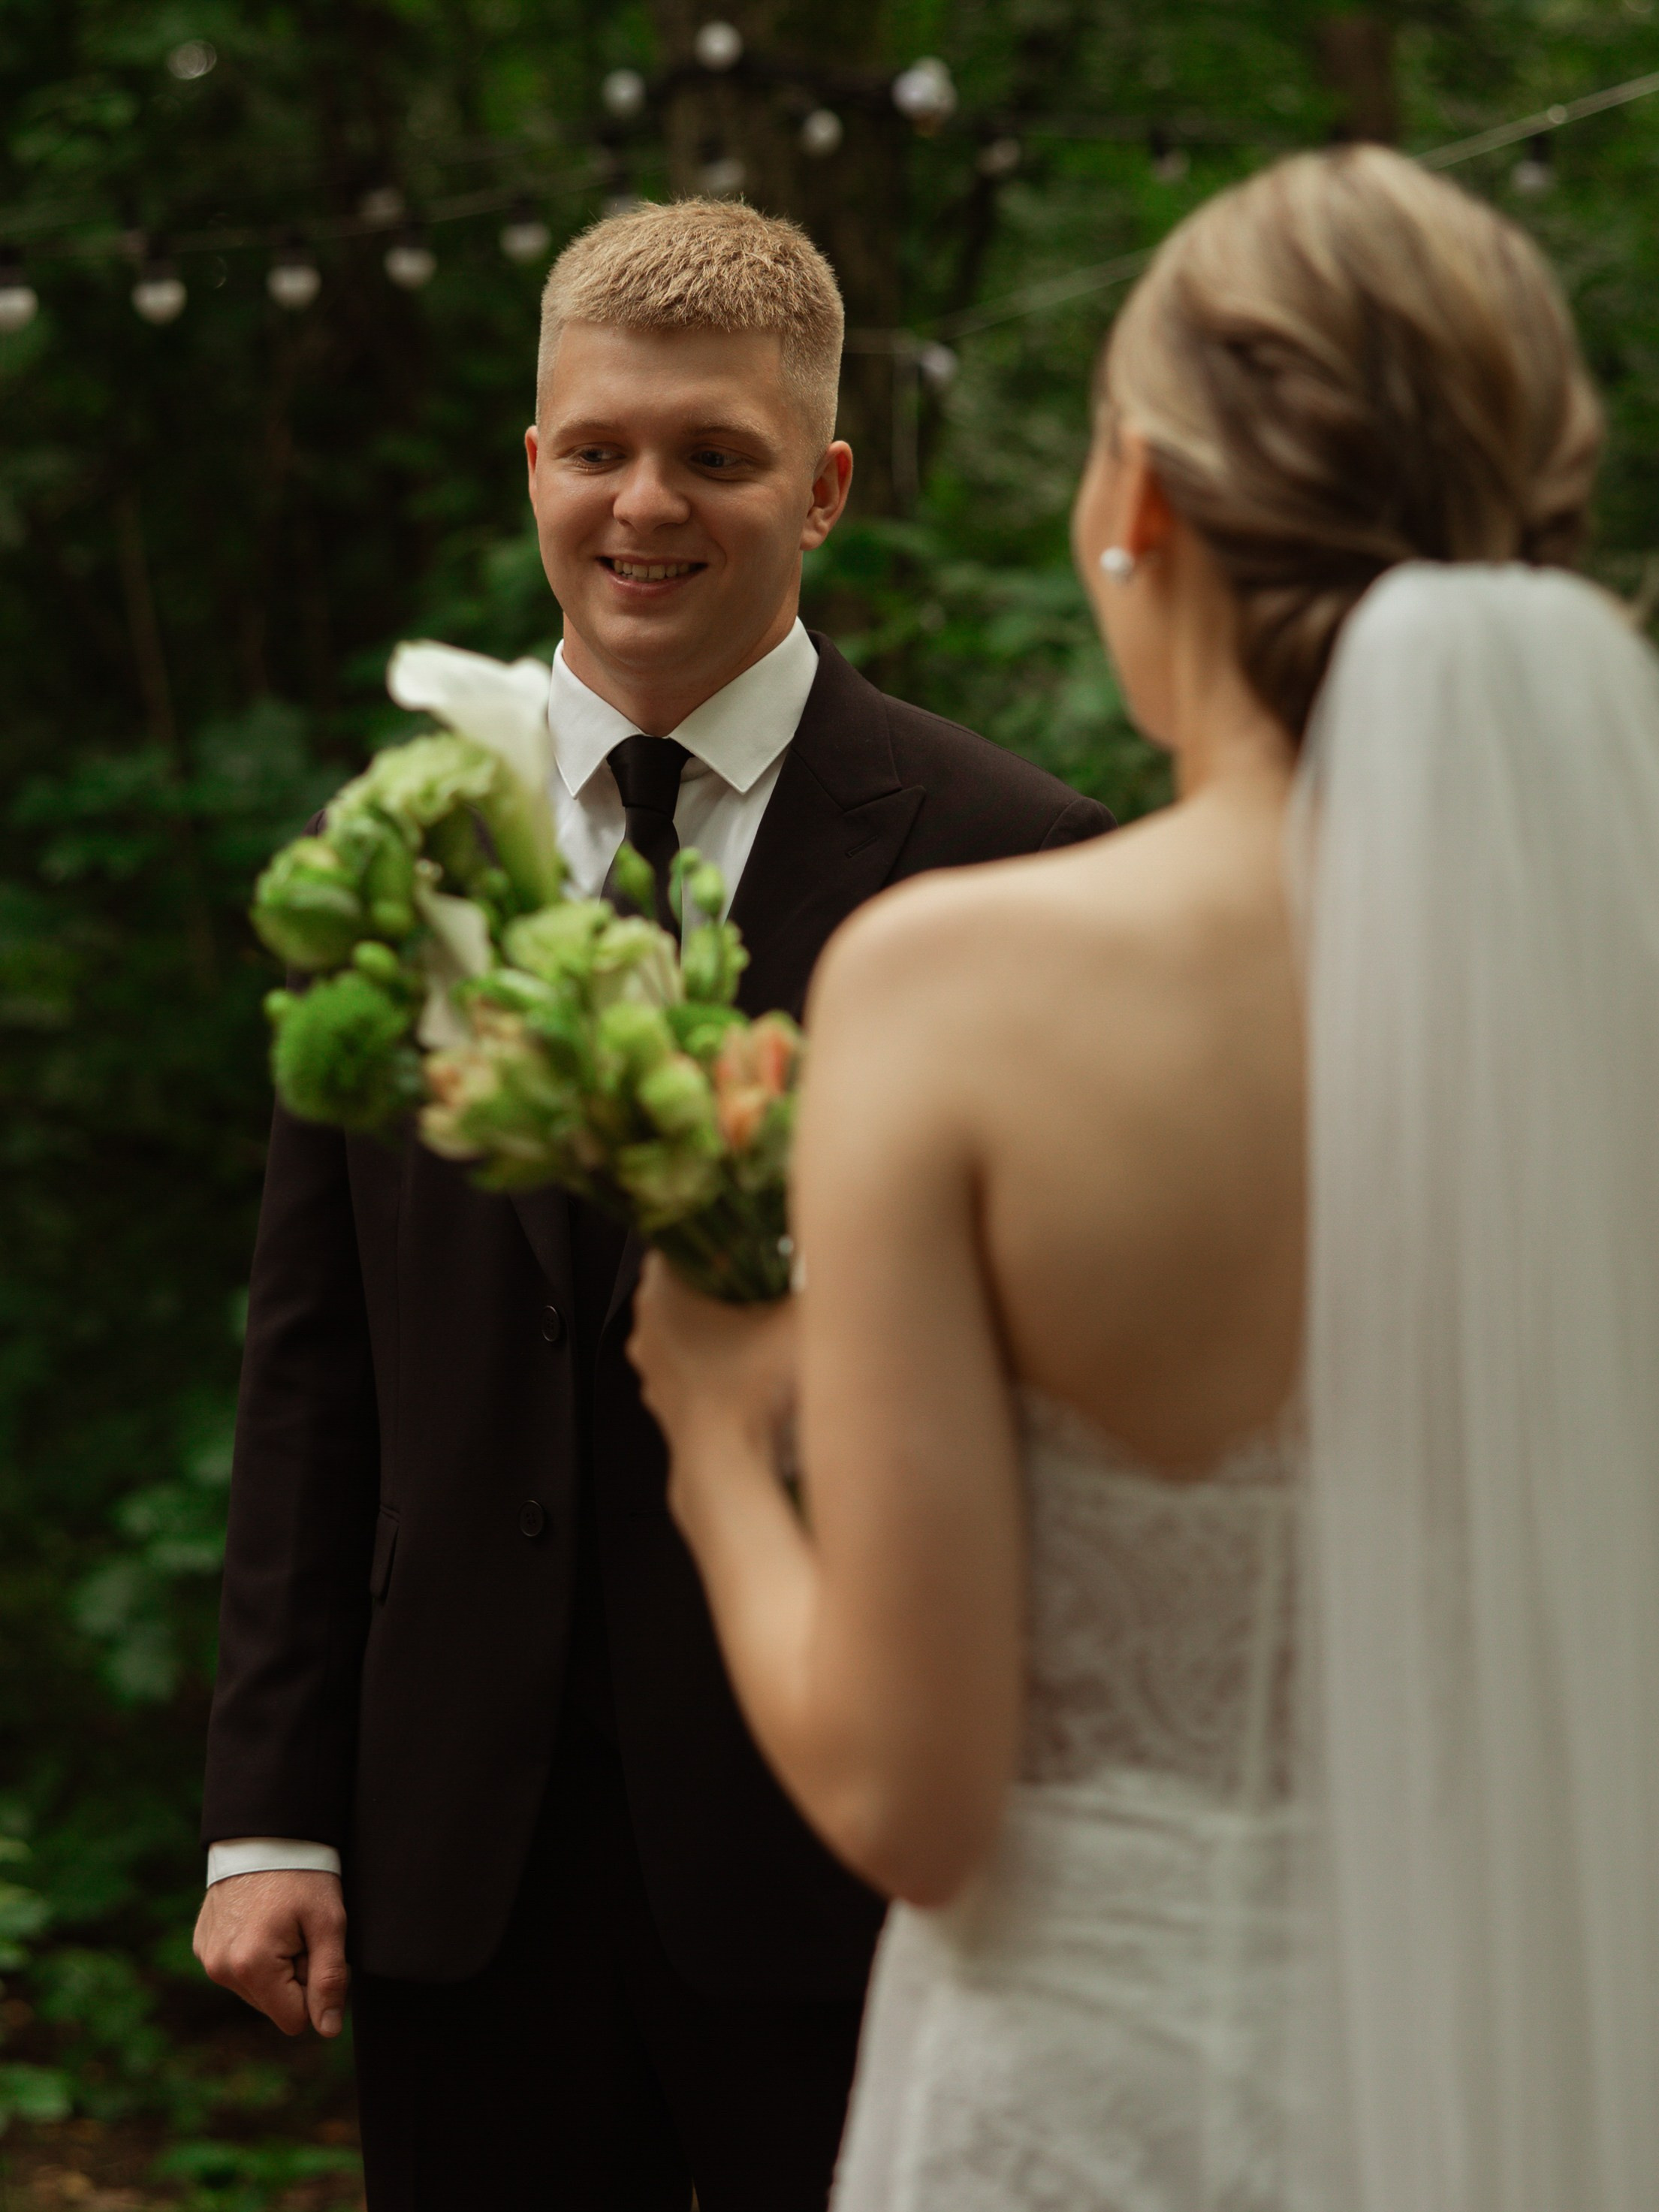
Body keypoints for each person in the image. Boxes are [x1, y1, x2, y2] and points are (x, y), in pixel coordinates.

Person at [631, 145, 1659, 2209]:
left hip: (1087, 2115)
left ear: (1148, 506)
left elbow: (911, 1801)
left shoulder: (962, 987)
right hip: (1539, 2080)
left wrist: (719, 1433)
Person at [190, 198, 1109, 2211]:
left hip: (855, 1851)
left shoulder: (1012, 863)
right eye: (597, 448)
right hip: (463, 1856)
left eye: (715, 455)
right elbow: (315, 1366)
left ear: (826, 488)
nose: (645, 505)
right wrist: (270, 1814)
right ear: (533, 462)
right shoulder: (393, 856)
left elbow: (1070, 1401)